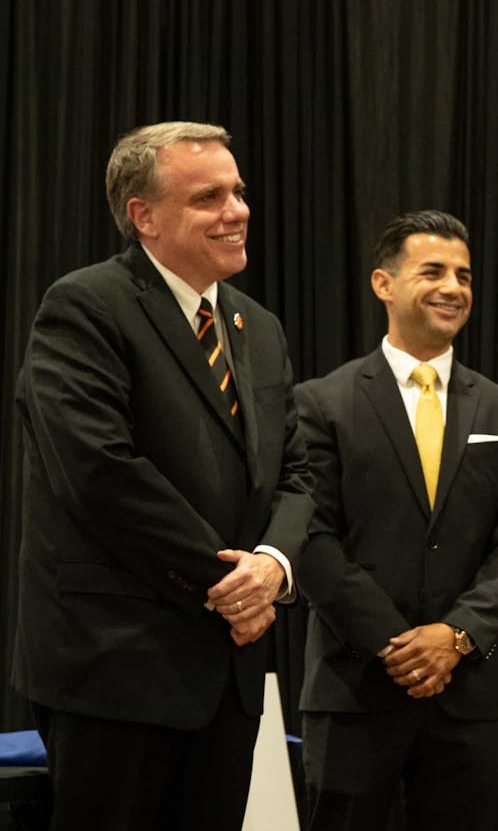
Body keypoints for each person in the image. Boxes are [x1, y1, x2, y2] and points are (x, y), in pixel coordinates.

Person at [12, 122, 313, 830]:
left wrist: (272, 566)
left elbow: (299, 472)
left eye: (237, 191)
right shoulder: (85, 307)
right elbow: (99, 473)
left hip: (227, 675)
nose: (237, 209)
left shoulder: (258, 329)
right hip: (116, 666)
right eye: (209, 197)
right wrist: (228, 582)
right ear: (143, 216)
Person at [295, 209, 498, 831]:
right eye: (433, 271)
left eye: (463, 274)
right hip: (354, 687)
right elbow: (312, 536)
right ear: (384, 284)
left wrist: (454, 637)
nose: (453, 287)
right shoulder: (323, 402)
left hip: (467, 691)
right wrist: (397, 644)